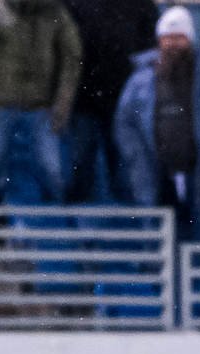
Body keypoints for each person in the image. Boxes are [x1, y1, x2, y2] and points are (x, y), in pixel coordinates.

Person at [114, 6, 200, 237]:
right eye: (167, 38)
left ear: (190, 39)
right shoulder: (141, 79)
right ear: (159, 41)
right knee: (160, 239)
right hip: (156, 173)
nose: (173, 43)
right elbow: (125, 122)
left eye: (179, 37)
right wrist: (137, 156)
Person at [0, 0, 84, 204]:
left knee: (52, 171)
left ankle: (53, 224)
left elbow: (72, 58)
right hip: (1, 107)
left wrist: (62, 105)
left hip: (42, 108)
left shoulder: (55, 13)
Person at [62, 0, 158, 203]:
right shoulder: (71, 5)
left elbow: (149, 45)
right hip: (82, 98)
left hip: (123, 99)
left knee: (123, 164)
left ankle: (128, 224)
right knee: (80, 162)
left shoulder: (140, 5)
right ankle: (80, 223)